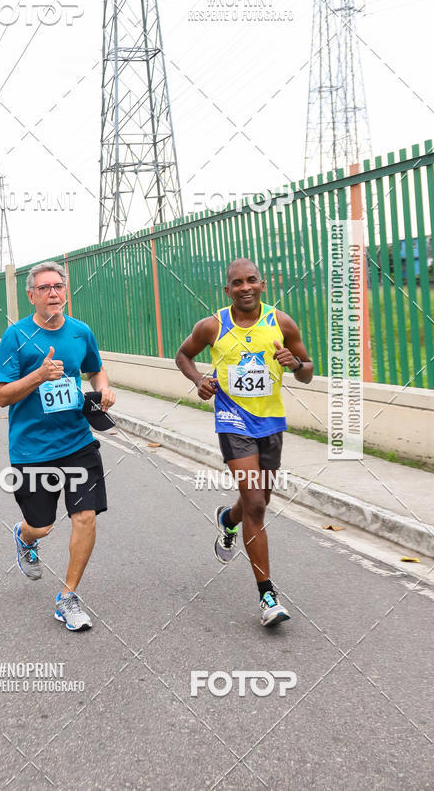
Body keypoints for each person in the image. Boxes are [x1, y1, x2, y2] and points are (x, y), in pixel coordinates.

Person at [176, 258, 314, 627]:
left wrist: (295, 364)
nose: (245, 287)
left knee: (257, 503)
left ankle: (228, 519)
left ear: (262, 284)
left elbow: (308, 372)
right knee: (256, 501)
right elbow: (183, 354)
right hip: (233, 421)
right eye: (237, 283)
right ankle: (267, 596)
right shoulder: (212, 326)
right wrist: (198, 381)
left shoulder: (281, 322)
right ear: (228, 290)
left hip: (270, 423)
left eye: (251, 280)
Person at [0, 261, 115, 632]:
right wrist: (38, 375)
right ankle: (25, 536)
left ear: (66, 291)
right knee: (41, 527)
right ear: (31, 295)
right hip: (32, 449)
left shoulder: (80, 332)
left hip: (77, 440)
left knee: (85, 516)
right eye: (44, 288)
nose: (53, 293)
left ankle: (68, 597)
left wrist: (104, 387)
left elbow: (96, 369)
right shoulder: (16, 337)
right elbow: (1, 396)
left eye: (58, 286)